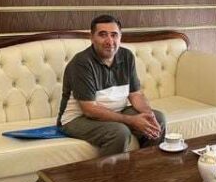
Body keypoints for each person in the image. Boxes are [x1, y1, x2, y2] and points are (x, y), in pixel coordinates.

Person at [58, 14, 166, 154]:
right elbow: (89, 110)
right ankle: (110, 170)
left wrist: (149, 114)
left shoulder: (127, 56)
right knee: (119, 133)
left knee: (158, 119)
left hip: (116, 112)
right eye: (103, 35)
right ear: (92, 37)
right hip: (77, 119)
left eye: (114, 35)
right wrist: (131, 120)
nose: (109, 41)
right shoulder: (82, 63)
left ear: (120, 37)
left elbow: (135, 94)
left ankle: (146, 165)